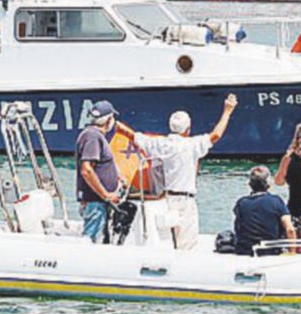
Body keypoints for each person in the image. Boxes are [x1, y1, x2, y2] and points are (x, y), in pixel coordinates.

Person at [128, 95, 237, 249]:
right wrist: (227, 111)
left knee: (167, 242)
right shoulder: (191, 145)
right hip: (185, 200)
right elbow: (216, 135)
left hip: (166, 199)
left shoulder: (161, 144)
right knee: (187, 245)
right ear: (188, 129)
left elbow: (134, 136)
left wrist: (117, 126)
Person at [76, 100, 126, 242]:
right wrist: (106, 196)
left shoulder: (92, 135)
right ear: (109, 120)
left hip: (97, 201)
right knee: (90, 240)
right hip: (95, 202)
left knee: (99, 238)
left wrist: (118, 176)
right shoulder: (93, 137)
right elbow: (87, 170)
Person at [233, 166, 296, 256]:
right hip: (270, 250)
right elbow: (290, 229)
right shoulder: (276, 201)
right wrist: (292, 252)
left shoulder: (241, 203)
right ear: (268, 184)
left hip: (244, 250)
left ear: (250, 184)